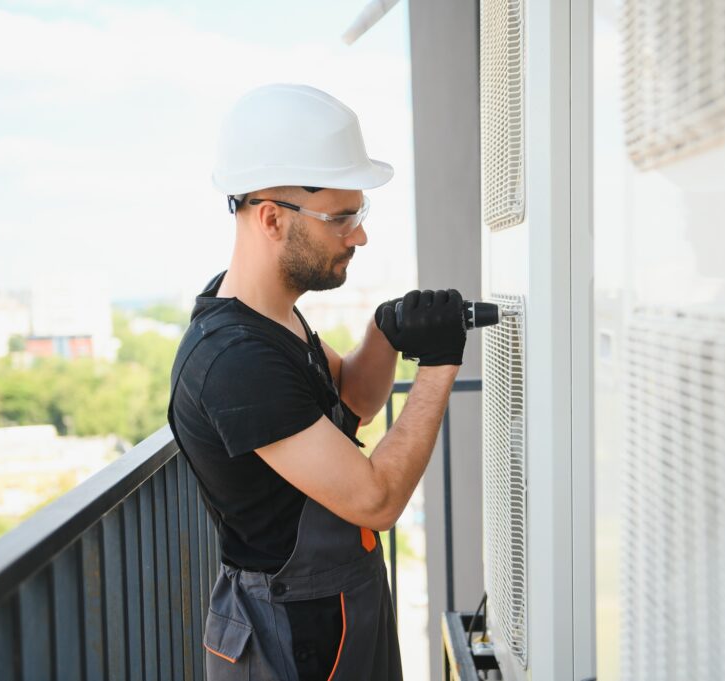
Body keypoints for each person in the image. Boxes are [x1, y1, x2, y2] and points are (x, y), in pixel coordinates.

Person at [167, 83, 468, 681]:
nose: (359, 235)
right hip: (292, 634)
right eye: (342, 217)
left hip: (335, 607)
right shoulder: (236, 361)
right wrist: (438, 365)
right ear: (272, 219)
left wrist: (385, 331)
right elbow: (376, 500)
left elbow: (354, 396)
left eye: (359, 213)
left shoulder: (272, 318)